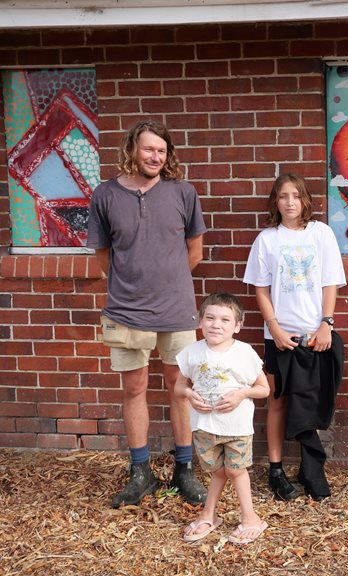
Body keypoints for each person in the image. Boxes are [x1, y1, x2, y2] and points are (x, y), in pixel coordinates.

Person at [87, 120, 208, 508]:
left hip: (177, 309)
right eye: (148, 149)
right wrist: (133, 285)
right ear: (132, 150)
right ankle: (140, 473)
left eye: (162, 150)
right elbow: (103, 255)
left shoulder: (183, 192)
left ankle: (184, 470)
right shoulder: (105, 195)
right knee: (134, 388)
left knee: (181, 389)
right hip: (126, 311)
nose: (156, 157)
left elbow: (195, 252)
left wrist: (165, 283)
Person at [243, 173, 346, 501]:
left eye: (296, 196)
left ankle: (310, 468)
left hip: (314, 336)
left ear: (305, 200)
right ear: (275, 201)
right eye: (283, 196)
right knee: (277, 401)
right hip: (279, 336)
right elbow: (260, 289)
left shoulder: (321, 234)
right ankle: (275, 469)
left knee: (309, 402)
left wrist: (326, 323)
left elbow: (330, 281)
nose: (289, 202)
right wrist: (273, 326)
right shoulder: (267, 240)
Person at [175, 293, 270, 544]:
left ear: (237, 326)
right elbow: (179, 386)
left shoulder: (244, 353)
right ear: (200, 321)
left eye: (225, 320)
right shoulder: (191, 352)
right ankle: (209, 515)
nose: (216, 324)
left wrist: (241, 394)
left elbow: (264, 389)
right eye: (210, 318)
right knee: (218, 471)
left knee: (236, 470)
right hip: (205, 426)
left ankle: (251, 518)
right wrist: (189, 395)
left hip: (236, 426)